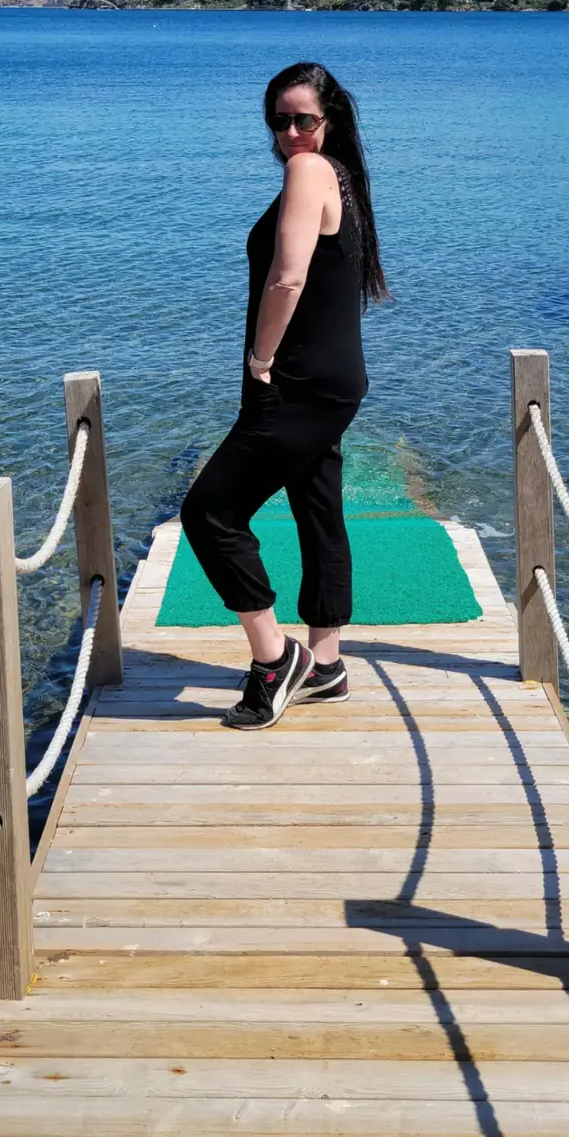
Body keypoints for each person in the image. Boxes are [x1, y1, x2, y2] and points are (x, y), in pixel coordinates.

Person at [180, 61, 390, 731]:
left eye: (305, 119)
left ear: (330, 121)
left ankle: (275, 660)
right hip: (333, 382)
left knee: (210, 512)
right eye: (280, 120)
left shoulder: (309, 172)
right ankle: (326, 663)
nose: (291, 133)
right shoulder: (343, 179)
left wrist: (260, 357)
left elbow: (286, 277)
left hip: (295, 382)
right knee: (318, 509)